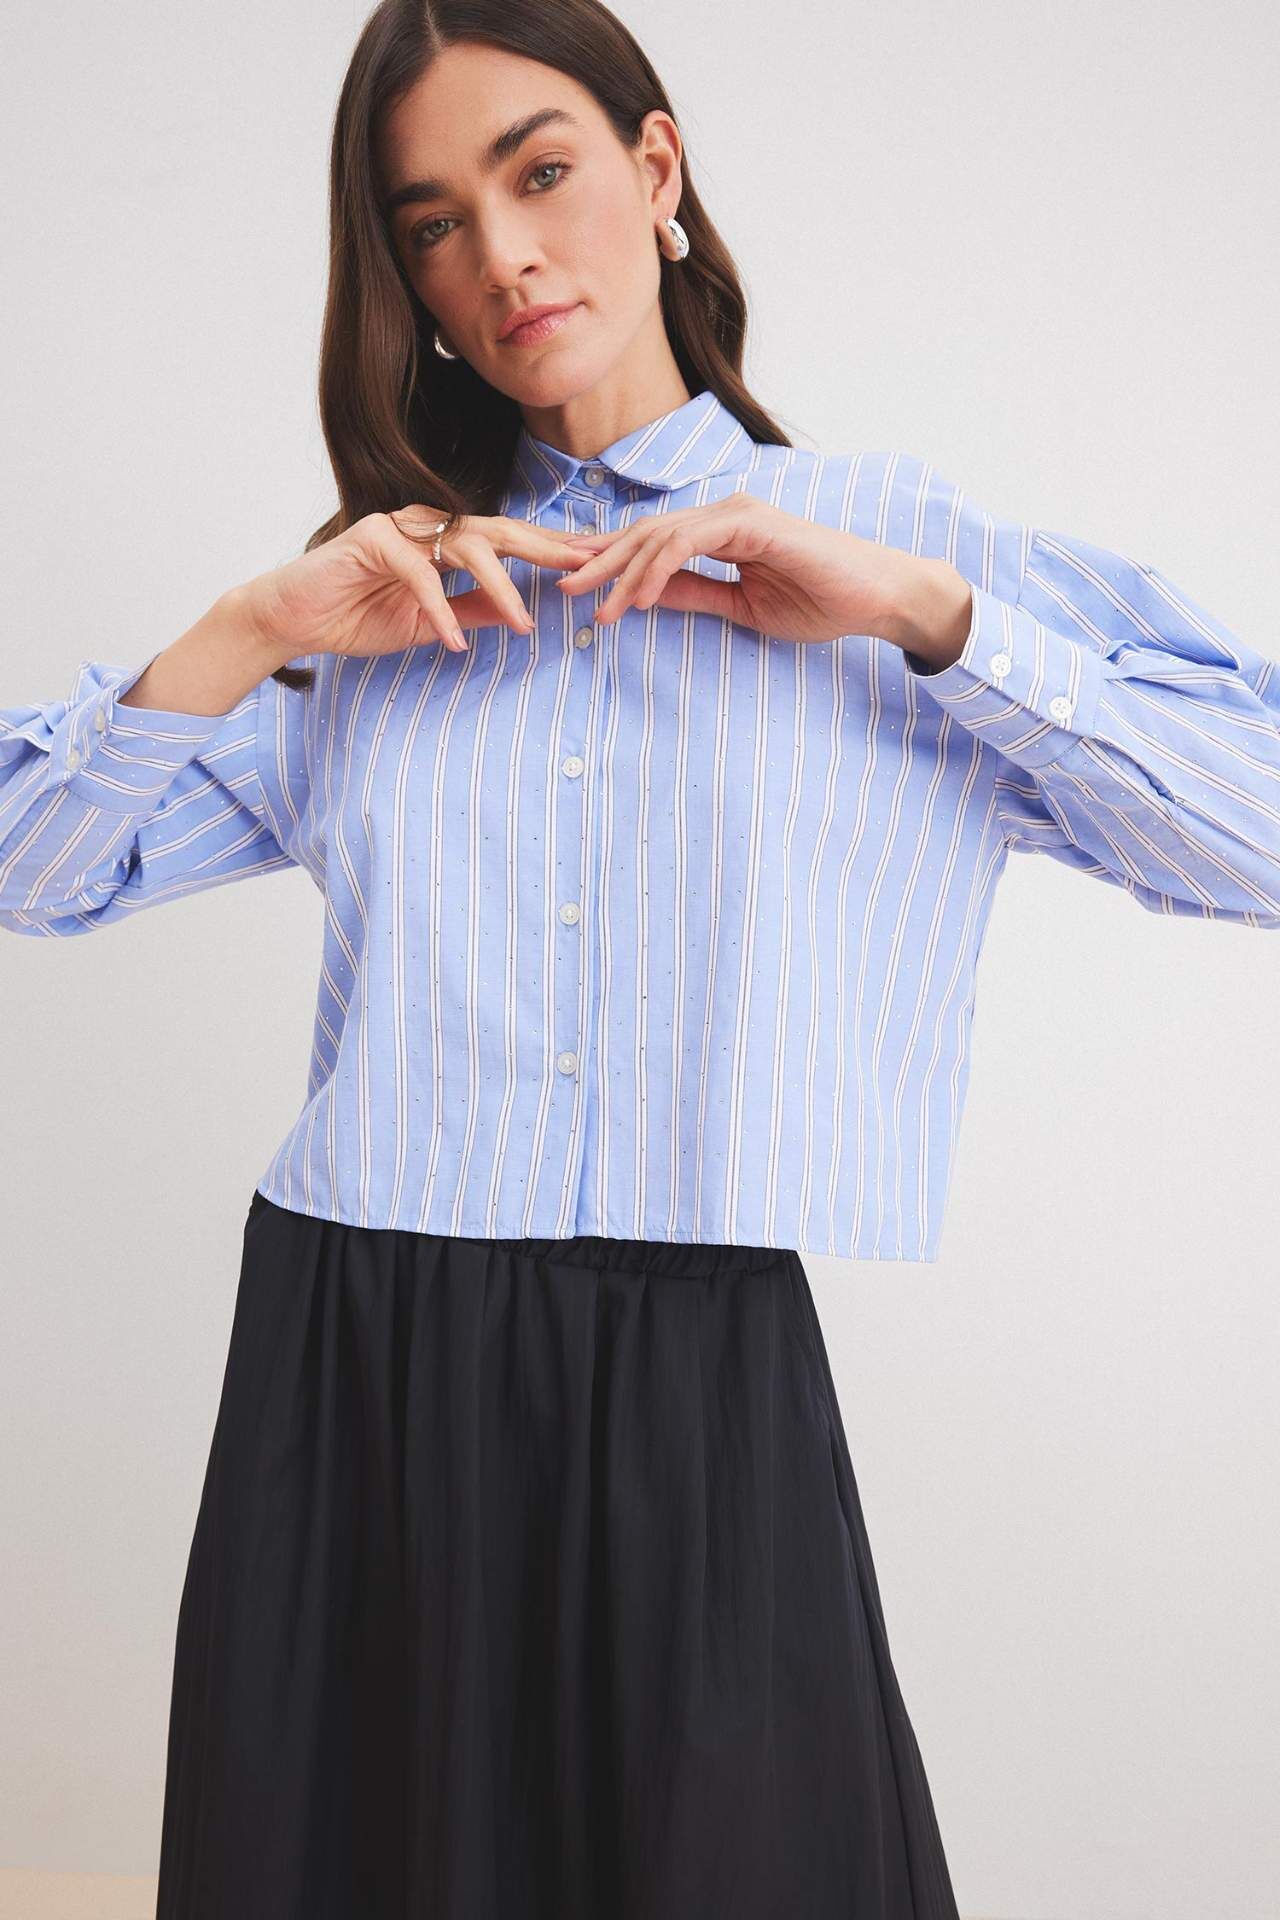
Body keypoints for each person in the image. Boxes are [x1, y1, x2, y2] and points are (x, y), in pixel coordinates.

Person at [3, 2, 1278, 1916]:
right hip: (360, 1384)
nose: (504, 256)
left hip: (702, 1384)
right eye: (434, 223)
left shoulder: (892, 545)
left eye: (542, 173)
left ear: (655, 169)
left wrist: (927, 617)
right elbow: (35, 874)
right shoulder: (386, 602)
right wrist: (250, 626)